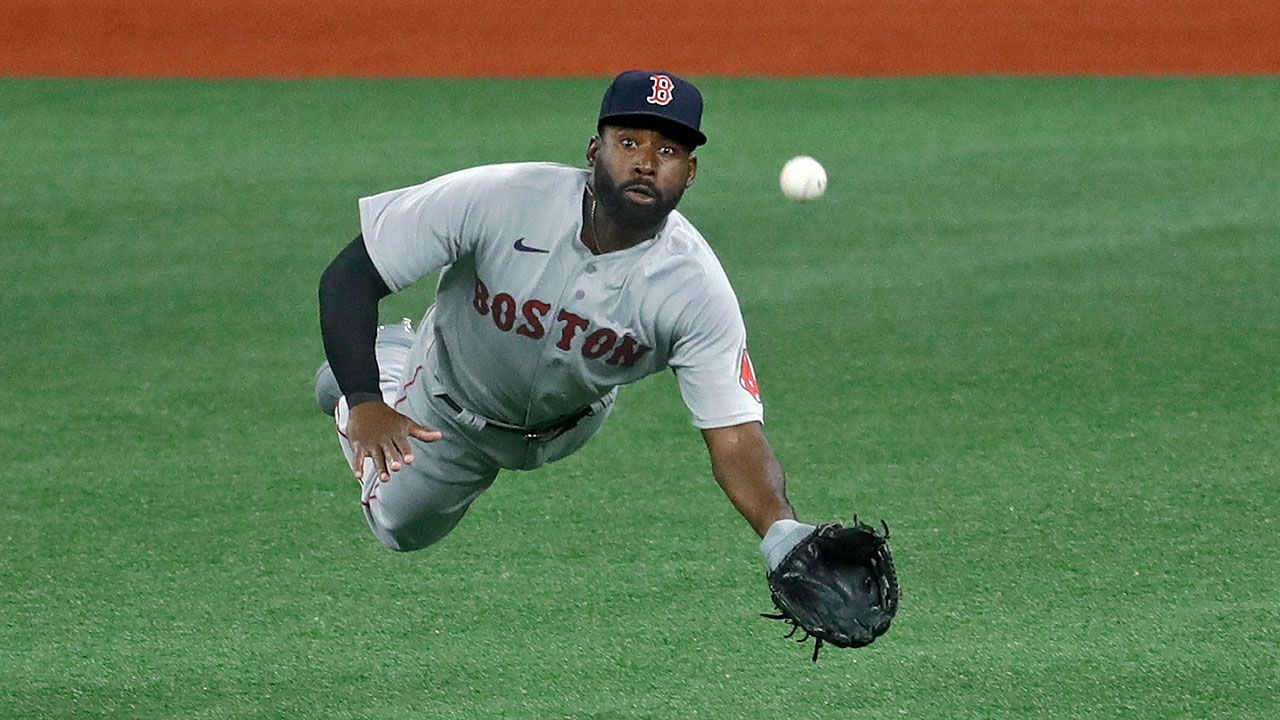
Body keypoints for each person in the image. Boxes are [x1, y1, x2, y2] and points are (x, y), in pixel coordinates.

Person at [316, 70, 815, 571]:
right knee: (399, 525)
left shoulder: (695, 287)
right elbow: (352, 276)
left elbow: (735, 434)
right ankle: (386, 362)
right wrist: (365, 402)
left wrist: (783, 535)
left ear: (690, 172)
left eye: (668, 151)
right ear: (594, 151)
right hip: (448, 403)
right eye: (629, 142)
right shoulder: (501, 197)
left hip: (570, 423)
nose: (645, 163)